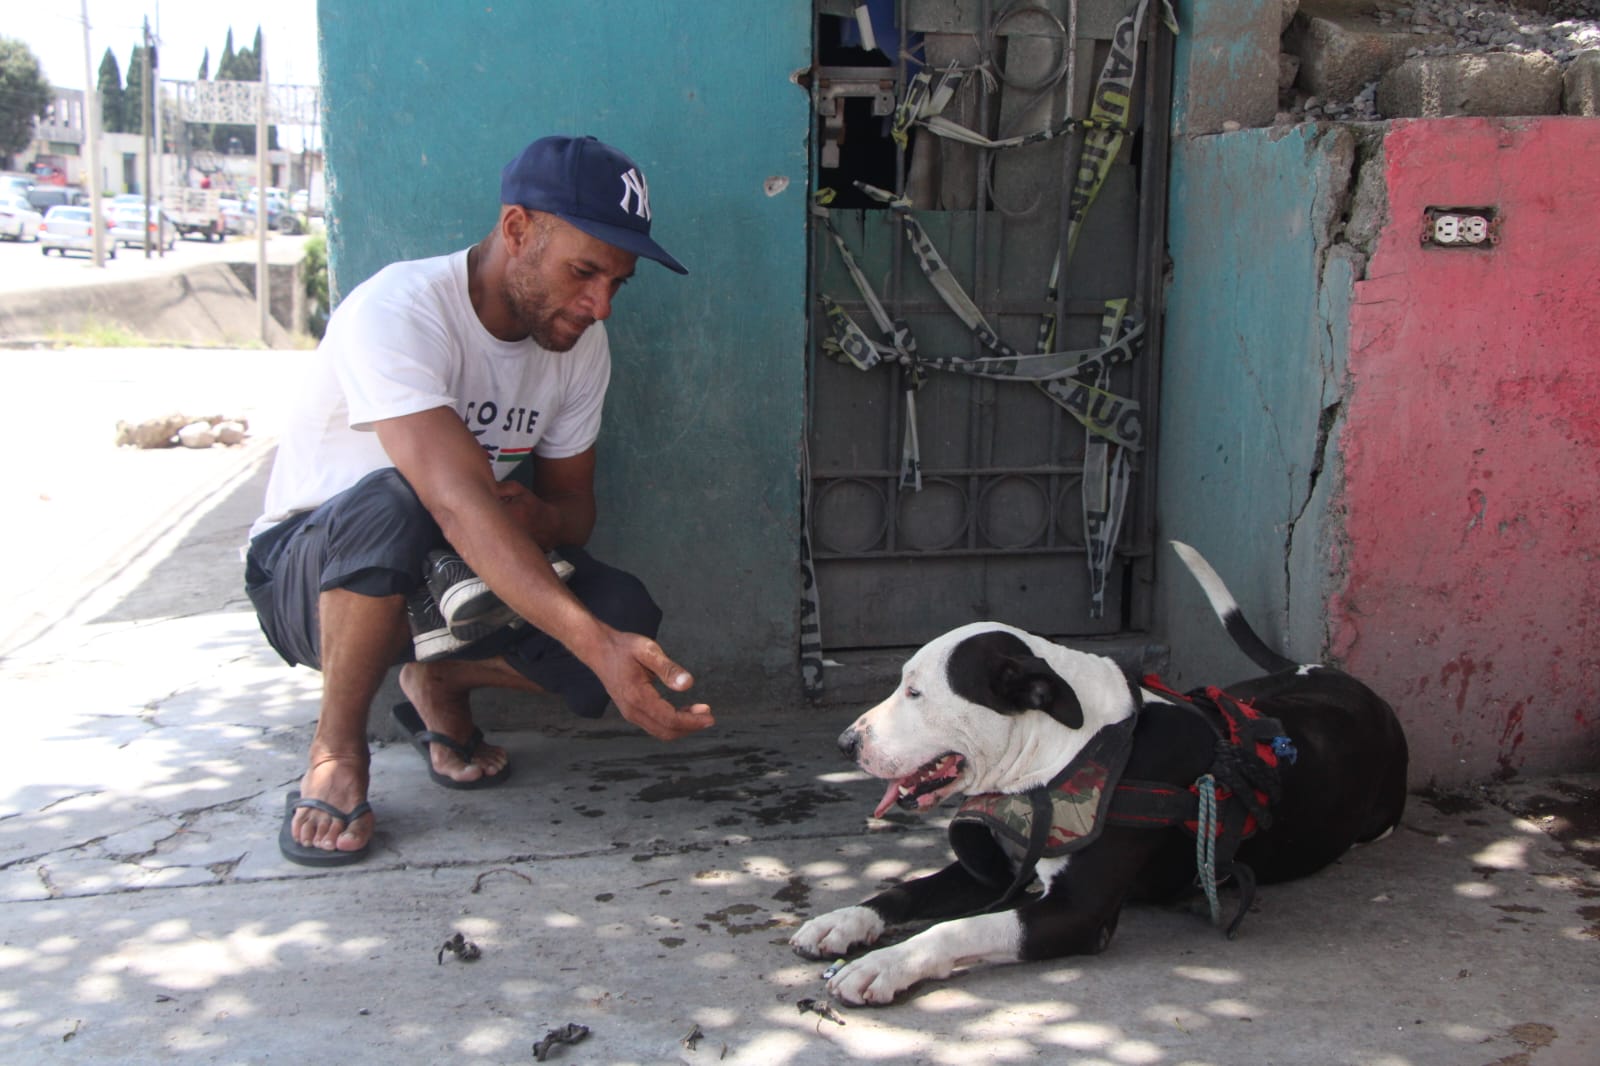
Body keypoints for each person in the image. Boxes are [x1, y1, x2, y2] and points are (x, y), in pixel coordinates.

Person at [245, 134, 714, 866]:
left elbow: (573, 513)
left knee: (624, 616)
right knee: (402, 497)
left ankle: (436, 680)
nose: (600, 306)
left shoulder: (578, 343)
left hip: (450, 577)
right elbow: (454, 501)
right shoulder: (399, 308)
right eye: (584, 272)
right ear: (518, 229)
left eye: (618, 283)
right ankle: (336, 749)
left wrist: (542, 520)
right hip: (307, 576)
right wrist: (590, 644)